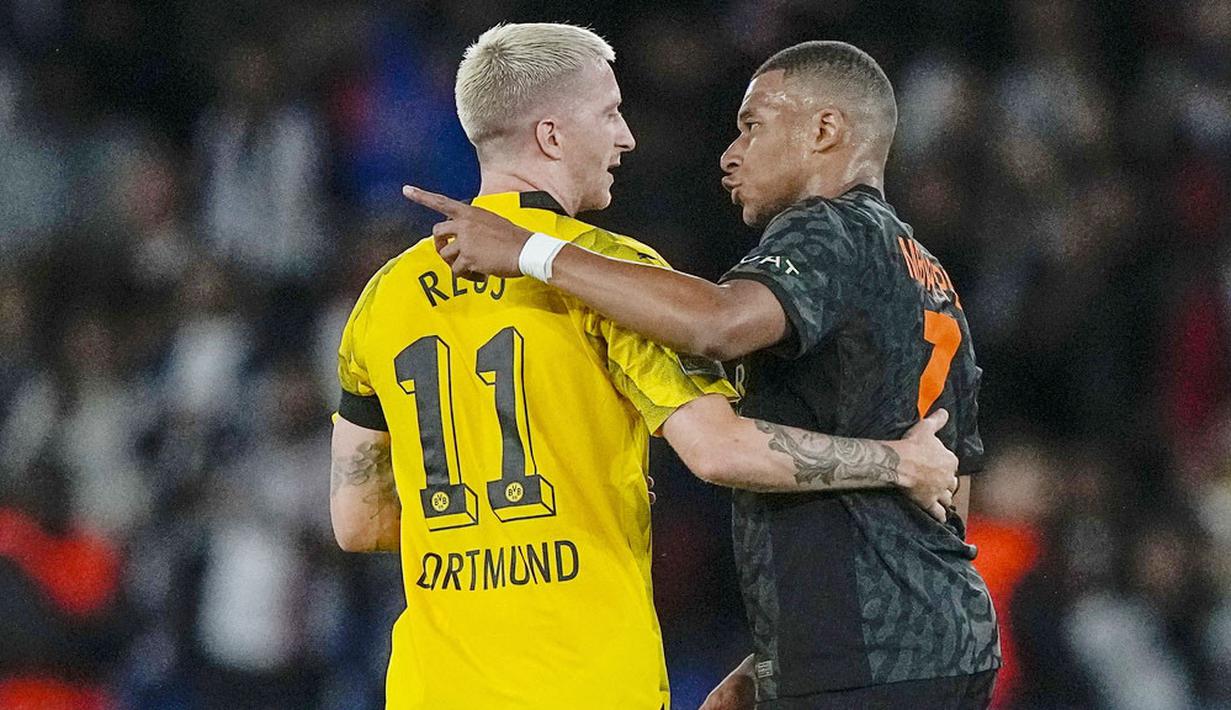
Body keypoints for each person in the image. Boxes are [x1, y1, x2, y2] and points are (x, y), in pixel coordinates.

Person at [333, 25, 960, 710]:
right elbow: (720, 450)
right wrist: (896, 462)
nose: (626, 137)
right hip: (587, 681)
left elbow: (357, 521)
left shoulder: (382, 297)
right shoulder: (614, 278)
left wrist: (484, 527)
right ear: (551, 137)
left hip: (432, 687)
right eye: (609, 113)